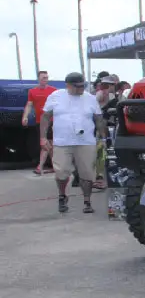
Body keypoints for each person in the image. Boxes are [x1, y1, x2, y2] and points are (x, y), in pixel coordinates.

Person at [39, 72, 106, 214]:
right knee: (61, 172)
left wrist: (103, 138)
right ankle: (62, 195)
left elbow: (98, 118)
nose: (81, 89)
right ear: (68, 86)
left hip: (86, 141)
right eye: (77, 87)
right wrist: (43, 138)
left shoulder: (90, 99)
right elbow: (45, 117)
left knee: (87, 173)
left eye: (83, 86)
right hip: (62, 141)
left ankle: (87, 201)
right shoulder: (56, 96)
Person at [21, 70, 58, 175]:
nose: (45, 80)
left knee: (47, 143)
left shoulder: (53, 91)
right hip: (39, 121)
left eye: (46, 78)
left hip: (51, 121)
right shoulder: (33, 91)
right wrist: (25, 117)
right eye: (43, 78)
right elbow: (29, 105)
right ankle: (55, 166)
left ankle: (40, 166)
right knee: (48, 144)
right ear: (39, 79)